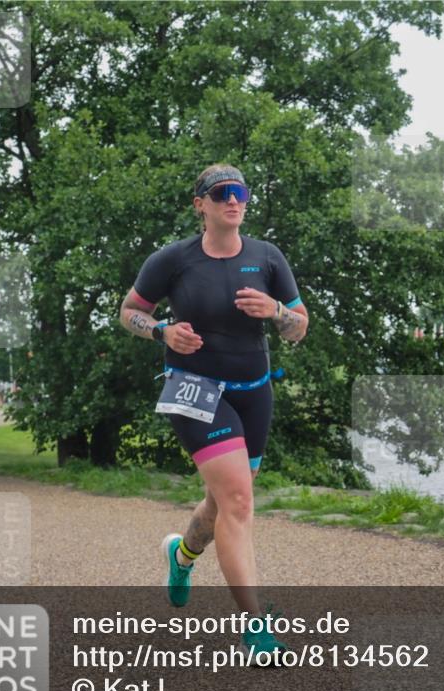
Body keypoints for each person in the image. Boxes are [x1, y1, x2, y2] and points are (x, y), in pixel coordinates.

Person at [120, 164, 308, 659]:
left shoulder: (268, 258)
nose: (233, 200)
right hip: (193, 387)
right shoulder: (172, 260)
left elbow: (299, 328)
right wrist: (161, 331)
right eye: (221, 193)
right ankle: (255, 625)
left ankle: (181, 556)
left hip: (254, 387)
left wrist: (277, 313)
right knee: (240, 503)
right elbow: (128, 311)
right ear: (198, 203)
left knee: (223, 503)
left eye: (240, 192)